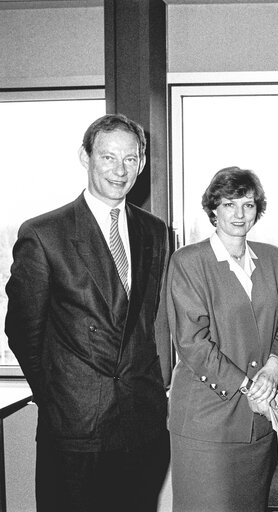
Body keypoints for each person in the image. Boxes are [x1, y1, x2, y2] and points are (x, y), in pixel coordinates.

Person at [5, 114, 171, 511]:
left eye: (130, 159)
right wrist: (59, 398)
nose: (120, 169)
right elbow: (22, 332)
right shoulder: (45, 234)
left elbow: (145, 323)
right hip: (74, 430)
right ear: (85, 157)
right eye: (108, 157)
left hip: (142, 426)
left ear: (142, 163)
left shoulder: (154, 231)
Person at [165, 167, 278, 511]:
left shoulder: (274, 259)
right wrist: (249, 387)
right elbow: (193, 343)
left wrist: (273, 365)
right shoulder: (188, 262)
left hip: (258, 421)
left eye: (248, 205)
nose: (239, 214)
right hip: (207, 422)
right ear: (213, 209)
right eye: (229, 204)